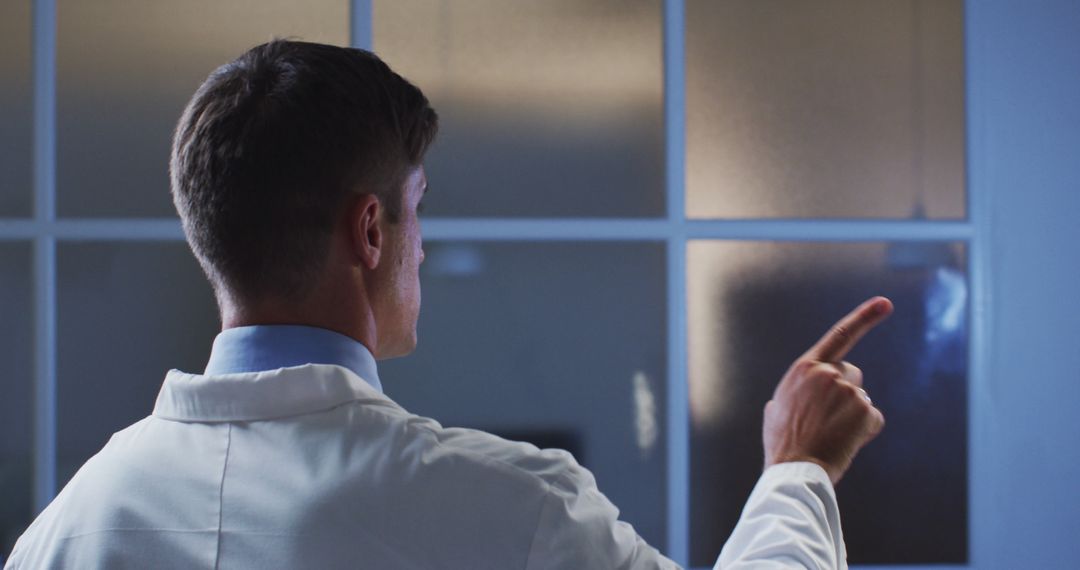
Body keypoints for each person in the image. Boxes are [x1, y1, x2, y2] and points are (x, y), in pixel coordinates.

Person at [5, 40, 891, 569]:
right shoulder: (511, 512)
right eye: (416, 208)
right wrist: (798, 465)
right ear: (371, 232)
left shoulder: (70, 529)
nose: (422, 245)